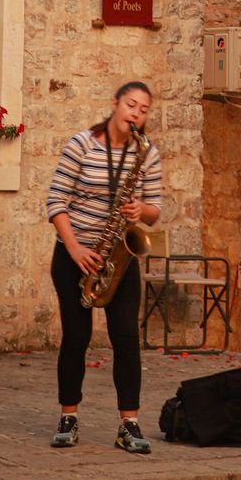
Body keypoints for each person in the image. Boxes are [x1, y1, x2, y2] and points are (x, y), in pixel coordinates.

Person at [46, 81, 162, 454]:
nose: (136, 113)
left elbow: (155, 211)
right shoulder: (81, 144)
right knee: (76, 337)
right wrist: (76, 249)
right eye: (131, 104)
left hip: (118, 257)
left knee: (126, 339)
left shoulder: (146, 152)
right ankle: (68, 417)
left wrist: (140, 210)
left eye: (144, 109)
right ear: (115, 104)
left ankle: (129, 424)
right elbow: (56, 201)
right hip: (75, 256)